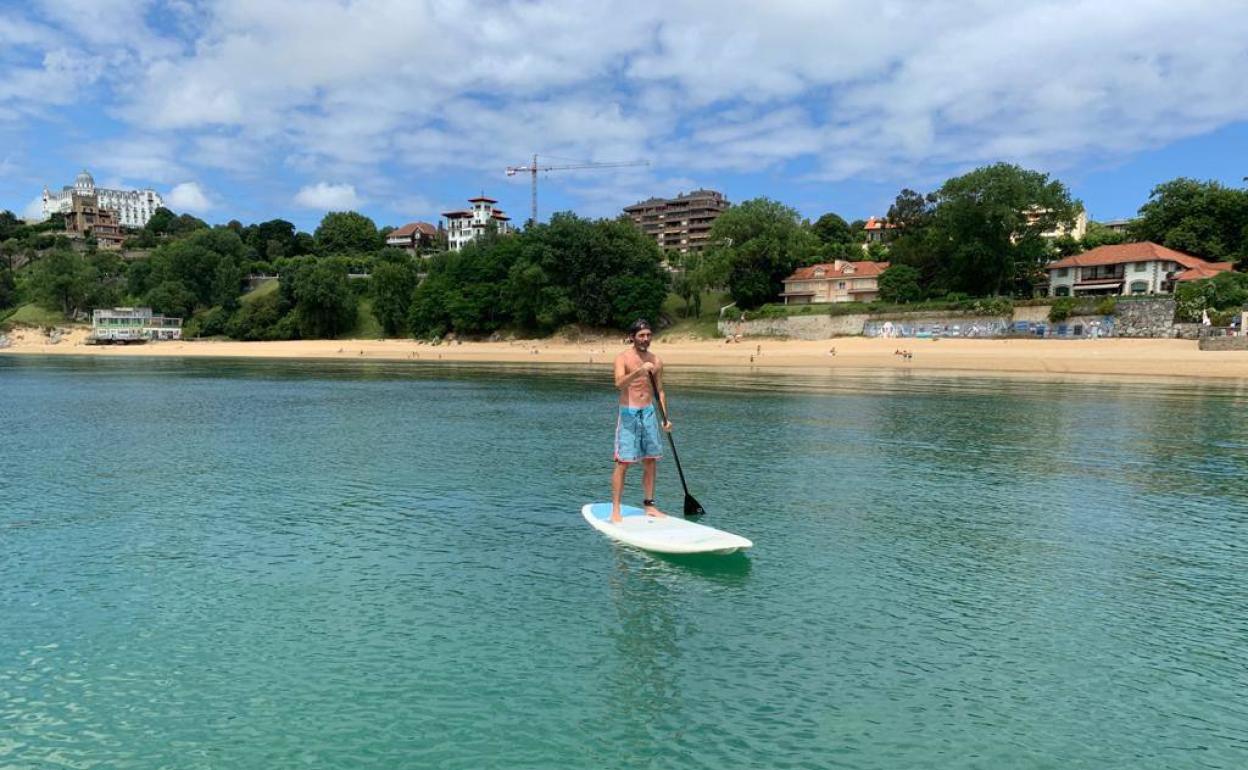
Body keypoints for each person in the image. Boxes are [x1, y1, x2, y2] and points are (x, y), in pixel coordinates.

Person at [611, 318, 671, 523]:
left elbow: (660, 391)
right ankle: (616, 510)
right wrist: (638, 371)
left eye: (648, 335)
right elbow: (618, 383)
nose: (646, 339)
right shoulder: (623, 358)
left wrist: (665, 418)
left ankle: (649, 505)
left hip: (649, 413)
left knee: (651, 460)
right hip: (628, 413)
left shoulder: (656, 360)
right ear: (632, 337)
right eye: (641, 335)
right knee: (623, 463)